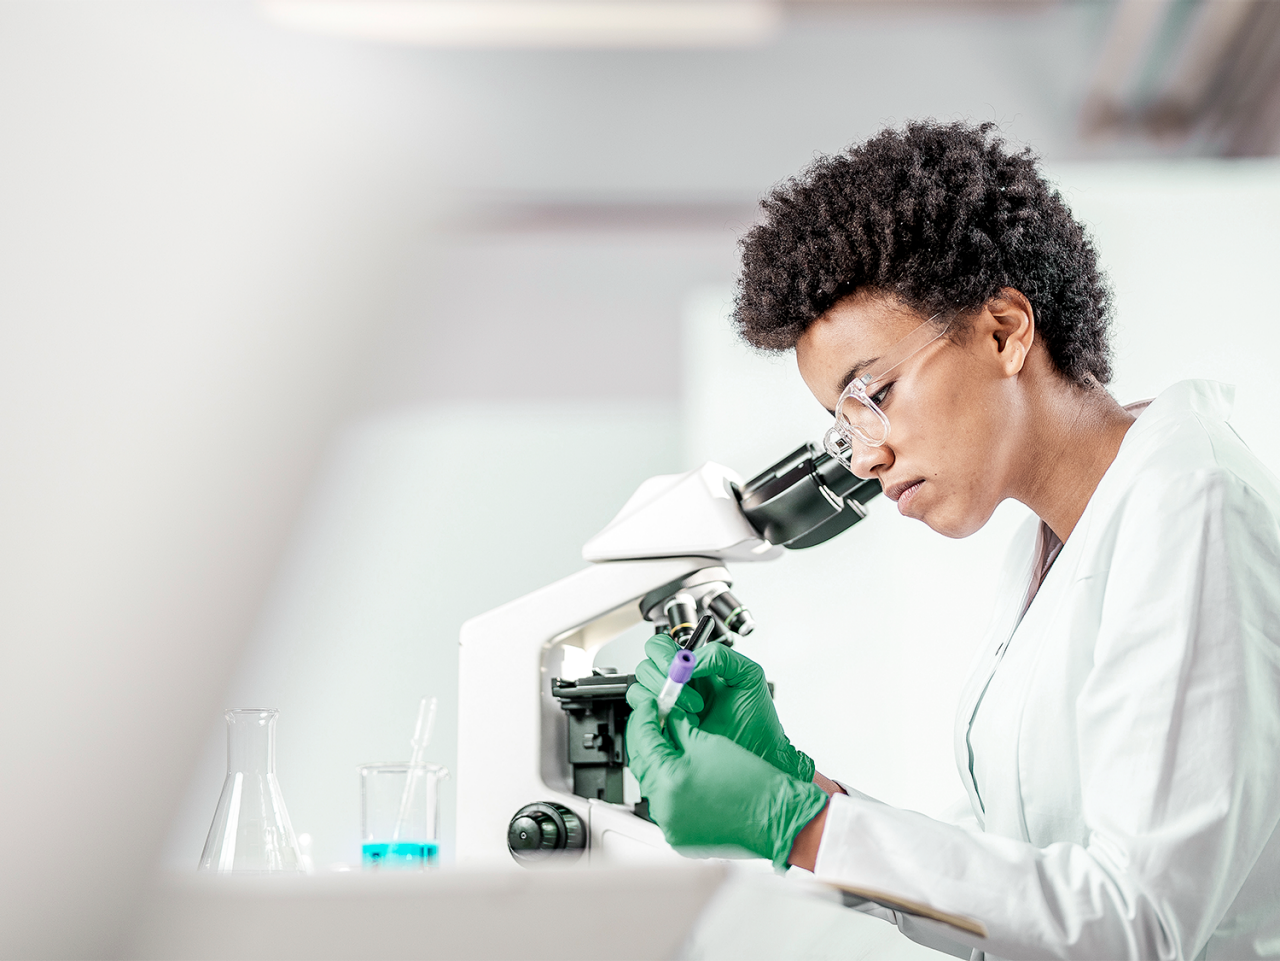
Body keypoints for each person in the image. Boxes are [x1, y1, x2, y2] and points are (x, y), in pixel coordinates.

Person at [624, 121, 1280, 960]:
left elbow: (1135, 922)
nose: (865, 454)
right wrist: (807, 791)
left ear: (1005, 330)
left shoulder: (1193, 503)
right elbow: (1015, 875)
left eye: (875, 394)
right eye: (841, 422)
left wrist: (809, 829)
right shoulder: (1049, 548)